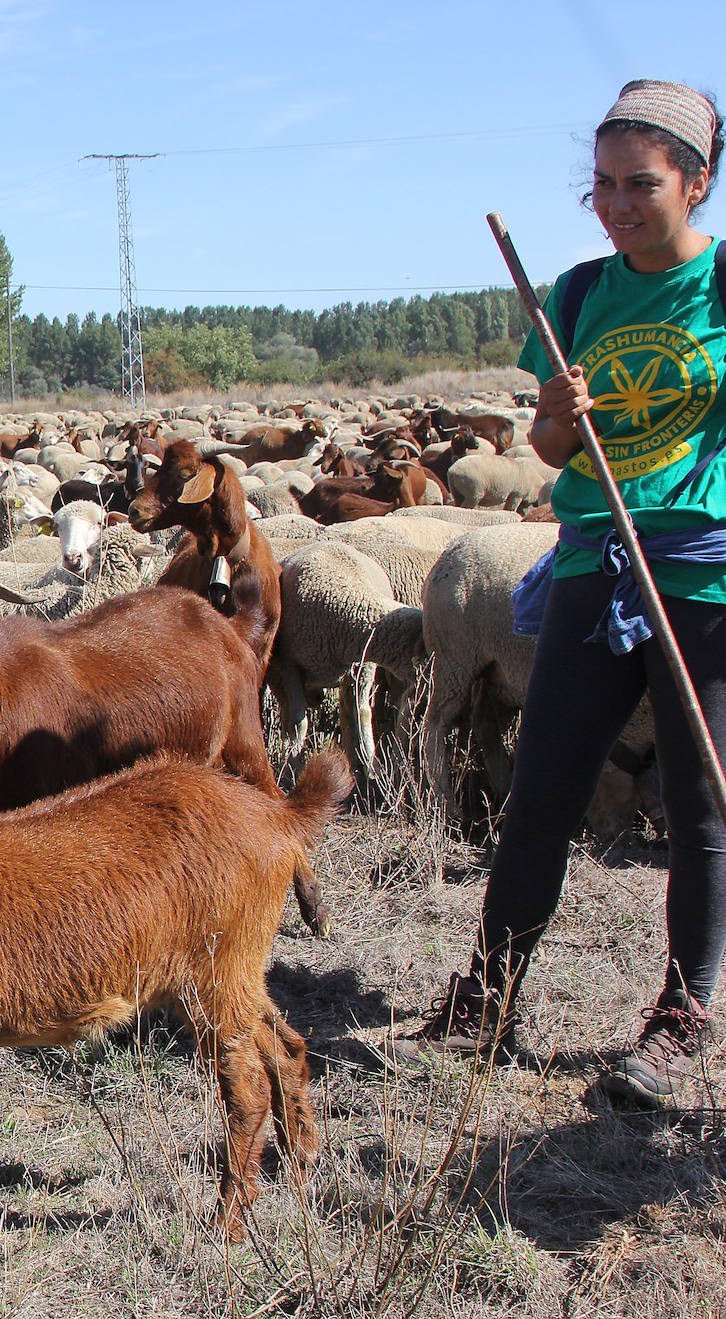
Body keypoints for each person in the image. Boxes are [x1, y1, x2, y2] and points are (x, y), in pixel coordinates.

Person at [395, 79, 726, 1108]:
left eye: (643, 185)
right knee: (542, 790)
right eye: (603, 186)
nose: (620, 204)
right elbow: (546, 446)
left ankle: (681, 1015)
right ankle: (489, 993)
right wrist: (564, 415)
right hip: (594, 566)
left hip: (705, 573)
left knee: (701, 800)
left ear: (698, 183)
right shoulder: (577, 296)